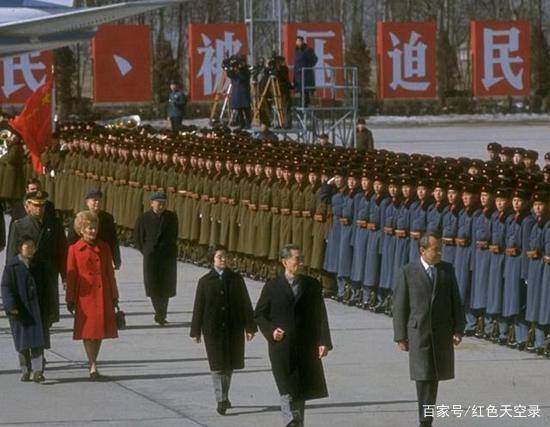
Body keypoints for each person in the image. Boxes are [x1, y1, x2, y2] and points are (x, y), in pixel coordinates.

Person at [255, 244, 332, 427]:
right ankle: (290, 421)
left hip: (305, 346)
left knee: (300, 390)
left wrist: (324, 341)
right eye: (297, 259)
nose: (301, 263)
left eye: (302, 258)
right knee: (286, 387)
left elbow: (320, 314)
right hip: (281, 347)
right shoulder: (272, 286)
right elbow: (259, 314)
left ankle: (297, 423)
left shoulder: (311, 285)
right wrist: (271, 331)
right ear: (285, 262)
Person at [393, 232, 465, 427]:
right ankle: (425, 420)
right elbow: (399, 306)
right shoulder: (408, 272)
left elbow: (455, 301)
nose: (440, 253)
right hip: (419, 333)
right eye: (436, 249)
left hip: (441, 332)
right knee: (423, 376)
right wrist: (400, 336)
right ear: (422, 251)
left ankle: (426, 419)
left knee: (434, 377)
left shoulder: (446, 270)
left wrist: (458, 329)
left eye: (441, 249)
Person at [190, 246, 257, 415]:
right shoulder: (205, 281)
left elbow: (245, 303)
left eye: (226, 256)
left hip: (233, 328)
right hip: (213, 330)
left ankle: (224, 396)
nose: (224, 259)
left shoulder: (236, 279)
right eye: (220, 257)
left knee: (229, 365)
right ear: (212, 259)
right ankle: (220, 399)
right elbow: (198, 307)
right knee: (217, 366)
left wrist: (250, 327)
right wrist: (195, 330)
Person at [66, 211, 119, 379]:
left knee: (99, 331)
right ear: (81, 230)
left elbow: (110, 273)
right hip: (85, 296)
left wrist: (114, 294)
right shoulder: (74, 249)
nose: (93, 231)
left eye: (95, 228)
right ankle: (92, 365)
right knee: (88, 332)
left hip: (103, 293)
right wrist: (70, 298)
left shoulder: (104, 247)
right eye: (89, 228)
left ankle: (93, 361)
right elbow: (71, 276)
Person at [7, 190, 67, 324]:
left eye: (42, 205)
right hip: (28, 276)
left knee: (46, 318)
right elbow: (11, 255)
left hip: (48, 276)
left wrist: (65, 275)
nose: (39, 209)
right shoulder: (19, 225)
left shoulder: (55, 224)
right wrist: (11, 279)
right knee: (30, 317)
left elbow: (62, 252)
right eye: (35, 205)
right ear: (28, 205)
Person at [1, 235, 50, 383]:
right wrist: (11, 307)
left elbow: (47, 287)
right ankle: (25, 370)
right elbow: (6, 288)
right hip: (20, 311)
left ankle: (38, 371)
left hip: (37, 310)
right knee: (23, 343)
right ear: (19, 248)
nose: (31, 250)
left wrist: (49, 308)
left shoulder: (39, 264)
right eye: (27, 247)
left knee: (37, 342)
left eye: (33, 247)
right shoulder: (12, 266)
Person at [134, 191, 178, 325]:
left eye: (164, 204)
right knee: (153, 285)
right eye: (159, 203)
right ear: (151, 203)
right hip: (151, 257)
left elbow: (174, 235)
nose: (161, 206)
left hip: (167, 256)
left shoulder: (171, 217)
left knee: (166, 285)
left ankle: (162, 313)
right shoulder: (143, 218)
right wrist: (147, 251)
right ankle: (159, 311)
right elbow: (138, 239)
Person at [67, 188, 121, 270]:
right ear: (87, 203)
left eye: (99, 200)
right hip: (84, 255)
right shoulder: (80, 217)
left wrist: (116, 258)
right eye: (94, 200)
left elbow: (113, 240)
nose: (97, 202)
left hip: (101, 255)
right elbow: (71, 240)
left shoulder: (108, 218)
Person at [226, 55, 252, 129]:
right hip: (236, 91)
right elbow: (230, 75)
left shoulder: (246, 69)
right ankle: (242, 124)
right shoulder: (234, 69)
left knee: (246, 109)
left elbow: (244, 77)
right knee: (239, 109)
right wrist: (230, 67)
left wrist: (238, 71)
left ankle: (248, 124)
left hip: (244, 91)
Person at [293, 36, 317, 108]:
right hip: (298, 76)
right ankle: (302, 107)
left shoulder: (308, 50)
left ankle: (306, 107)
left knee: (305, 92)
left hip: (306, 76)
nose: (298, 43)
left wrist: (307, 67)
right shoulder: (296, 51)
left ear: (302, 41)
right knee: (301, 93)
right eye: (297, 41)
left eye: (299, 41)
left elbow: (315, 59)